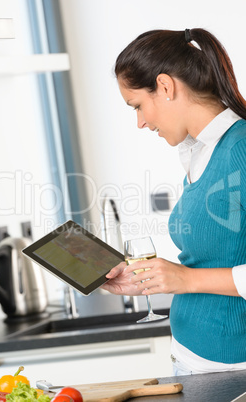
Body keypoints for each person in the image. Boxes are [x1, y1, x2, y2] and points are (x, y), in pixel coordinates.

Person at [101, 28, 246, 376]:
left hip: (230, 369)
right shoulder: (199, 153)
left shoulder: (240, 149)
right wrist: (153, 279)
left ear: (165, 86)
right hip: (192, 358)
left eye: (137, 105)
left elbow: (194, 277)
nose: (140, 122)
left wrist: (185, 280)